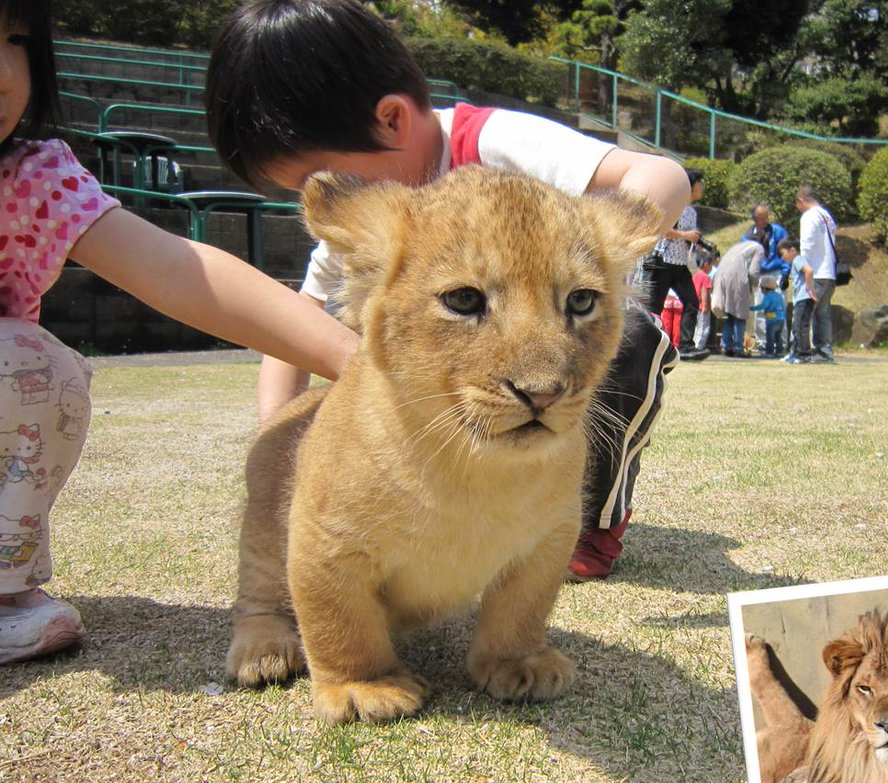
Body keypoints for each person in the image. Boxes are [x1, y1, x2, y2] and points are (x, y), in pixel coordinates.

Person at [205, 0, 693, 582]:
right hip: (433, 423)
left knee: (628, 336)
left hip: (556, 364)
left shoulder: (500, 141)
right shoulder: (377, 222)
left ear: (392, 120)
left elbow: (665, 176)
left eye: (325, 180)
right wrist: (280, 454)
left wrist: (595, 249)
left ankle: (592, 521)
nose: (331, 199)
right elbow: (292, 328)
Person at [0, 0, 359, 664]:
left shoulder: (27, 175)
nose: (2, 73)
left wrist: (359, 359)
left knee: (36, 366)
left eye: (16, 39)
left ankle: (3, 589)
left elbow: (179, 271)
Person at [642, 168, 709, 361]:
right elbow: (661, 229)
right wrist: (685, 235)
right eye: (699, 183)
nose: (701, 187)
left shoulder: (692, 212)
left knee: (692, 302)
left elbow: (686, 238)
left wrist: (696, 242)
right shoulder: (672, 204)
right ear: (690, 186)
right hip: (663, 261)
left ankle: (686, 346)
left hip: (680, 263)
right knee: (655, 306)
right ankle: (649, 345)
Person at [792, 186, 839, 363]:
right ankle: (825, 351)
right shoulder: (826, 216)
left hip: (815, 272)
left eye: (797, 205)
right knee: (823, 313)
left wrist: (802, 269)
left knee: (804, 314)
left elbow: (807, 246)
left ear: (801, 201)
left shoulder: (809, 216)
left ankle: (801, 351)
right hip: (829, 272)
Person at [742, 204, 788, 352]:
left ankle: (781, 342)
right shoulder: (748, 236)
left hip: (776, 271)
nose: (763, 221)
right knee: (761, 308)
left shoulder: (778, 232)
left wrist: (786, 273)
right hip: (759, 274)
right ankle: (763, 341)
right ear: (754, 219)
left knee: (779, 307)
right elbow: (744, 256)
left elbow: (787, 253)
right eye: (760, 218)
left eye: (766, 217)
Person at [711, 239, 764, 358]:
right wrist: (755, 284)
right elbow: (753, 272)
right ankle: (738, 347)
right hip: (737, 278)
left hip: (722, 276)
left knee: (730, 316)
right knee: (740, 316)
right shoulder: (758, 248)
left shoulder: (738, 247)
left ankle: (726, 345)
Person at [776, 238, 811, 364]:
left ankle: (799, 354)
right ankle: (800, 353)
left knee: (798, 326)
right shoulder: (797, 261)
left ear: (792, 250)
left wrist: (809, 289)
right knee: (801, 326)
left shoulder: (797, 260)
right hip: (803, 298)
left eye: (783, 254)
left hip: (803, 298)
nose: (782, 258)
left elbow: (809, 271)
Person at [749, 275, 786, 357]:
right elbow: (783, 306)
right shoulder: (779, 296)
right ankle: (780, 351)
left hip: (772, 320)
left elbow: (763, 305)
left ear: (764, 288)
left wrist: (752, 308)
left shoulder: (767, 296)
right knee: (778, 336)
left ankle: (769, 352)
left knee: (770, 337)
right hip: (781, 319)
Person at [691, 252, 715, 352]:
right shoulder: (706, 277)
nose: (711, 268)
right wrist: (705, 305)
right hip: (702, 306)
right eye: (711, 265)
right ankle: (698, 347)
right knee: (704, 328)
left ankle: (694, 344)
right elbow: (705, 291)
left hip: (694, 305)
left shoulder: (695, 275)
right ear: (706, 264)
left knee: (696, 327)